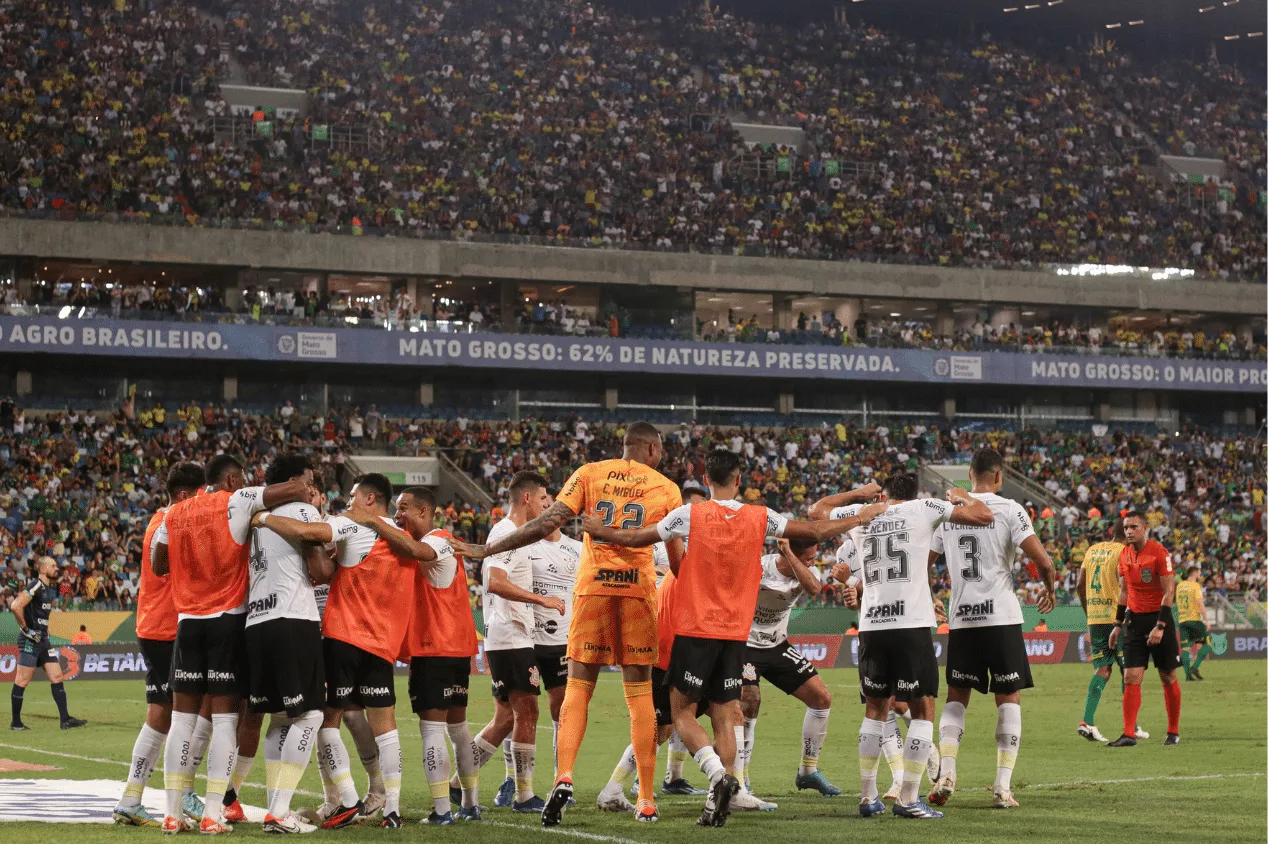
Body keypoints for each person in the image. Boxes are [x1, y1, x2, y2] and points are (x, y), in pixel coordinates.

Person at [585, 449, 886, 827]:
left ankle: (719, 778)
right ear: (740, 479)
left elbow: (637, 538)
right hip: (735, 635)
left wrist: (600, 530)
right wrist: (863, 515)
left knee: (681, 713)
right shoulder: (761, 517)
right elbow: (814, 531)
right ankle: (725, 792)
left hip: (696, 629)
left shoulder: (689, 515)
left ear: (706, 479)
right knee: (728, 715)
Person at [457, 422, 683, 826]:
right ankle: (646, 798)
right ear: (650, 448)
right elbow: (678, 562)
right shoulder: (666, 488)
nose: (661, 457)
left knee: (578, 689)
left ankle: (564, 777)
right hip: (637, 594)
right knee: (639, 695)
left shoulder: (589, 473)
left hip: (592, 590)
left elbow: (545, 524)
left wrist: (487, 548)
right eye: (661, 450)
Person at [256, 473, 442, 828]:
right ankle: (391, 810)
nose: (349, 501)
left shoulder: (351, 524)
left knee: (326, 720)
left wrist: (262, 517)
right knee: (385, 728)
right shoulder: (404, 538)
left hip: (343, 638)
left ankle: (347, 800)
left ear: (370, 499)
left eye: (354, 496)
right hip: (382, 646)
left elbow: (310, 534)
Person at [151, 454, 310, 834]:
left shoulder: (174, 512)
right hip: (227, 620)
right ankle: (211, 813)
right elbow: (294, 488)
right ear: (233, 478)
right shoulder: (235, 499)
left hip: (188, 623)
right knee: (225, 720)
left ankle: (172, 813)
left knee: (182, 721)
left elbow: (159, 565)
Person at [833, 474, 994, 820]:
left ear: (885, 494)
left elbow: (817, 511)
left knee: (875, 710)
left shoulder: (865, 514)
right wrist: (962, 495)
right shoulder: (924, 508)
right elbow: (984, 516)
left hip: (872, 625)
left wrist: (859, 496)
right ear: (914, 493)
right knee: (923, 710)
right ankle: (907, 798)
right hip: (911, 624)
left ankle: (867, 797)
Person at [923, 449, 1056, 810]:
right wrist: (1050, 588)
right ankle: (1002, 787)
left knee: (956, 697)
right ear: (999, 476)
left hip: (963, 619)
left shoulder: (948, 513)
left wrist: (931, 595)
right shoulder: (1011, 509)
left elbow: (923, 563)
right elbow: (1042, 561)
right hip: (1001, 618)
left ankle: (947, 772)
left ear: (970, 474)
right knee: (1008, 698)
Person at [346, 486, 476, 825]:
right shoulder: (441, 541)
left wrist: (373, 522)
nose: (398, 515)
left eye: (403, 508)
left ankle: (443, 811)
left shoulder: (437, 540)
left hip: (435, 648)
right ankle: (470, 804)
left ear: (423, 511)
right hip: (456, 648)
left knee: (433, 730)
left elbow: (414, 549)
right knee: (458, 729)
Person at [240, 454, 333, 834]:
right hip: (293, 618)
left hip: (257, 620)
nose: (313, 488)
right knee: (310, 715)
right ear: (295, 480)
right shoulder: (302, 511)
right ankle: (279, 813)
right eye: (309, 480)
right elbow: (320, 569)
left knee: (279, 719)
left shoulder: (253, 519)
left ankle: (275, 808)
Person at [113, 463, 204, 827]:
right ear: (185, 495)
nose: (203, 503)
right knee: (190, 713)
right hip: (168, 629)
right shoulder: (174, 524)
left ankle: (131, 798)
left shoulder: (158, 520)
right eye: (199, 495)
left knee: (161, 714)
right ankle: (181, 794)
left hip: (153, 627)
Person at [739, 537, 842, 801]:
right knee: (750, 700)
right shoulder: (759, 567)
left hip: (777, 645)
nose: (812, 563)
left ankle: (808, 771)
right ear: (788, 553)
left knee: (821, 699)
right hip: (746, 645)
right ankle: (741, 778)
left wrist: (794, 557)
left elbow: (815, 589)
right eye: (808, 558)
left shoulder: (809, 573)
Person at [1107, 512, 1182, 747]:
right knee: (1131, 676)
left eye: (1133, 527)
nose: (1129, 531)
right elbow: (1123, 591)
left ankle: (1173, 731)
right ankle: (1129, 734)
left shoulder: (1159, 552)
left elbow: (1169, 591)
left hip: (1160, 620)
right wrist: (1117, 626)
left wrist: (1160, 626)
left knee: (1167, 675)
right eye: (1126, 527)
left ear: (1145, 528)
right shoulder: (1124, 555)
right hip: (1134, 621)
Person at [11, 555, 88, 731]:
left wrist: (44, 632)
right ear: (43, 569)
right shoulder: (36, 585)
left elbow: (39, 616)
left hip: (43, 641)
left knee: (57, 677)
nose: (56, 568)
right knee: (22, 680)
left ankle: (65, 719)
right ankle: (16, 723)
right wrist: (26, 630)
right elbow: (16, 605)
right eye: (53, 565)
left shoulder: (47, 589)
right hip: (31, 641)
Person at [1076, 520, 1130, 743]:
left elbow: (1080, 585)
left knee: (1103, 669)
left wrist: (1089, 611)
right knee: (1130, 670)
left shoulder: (1092, 550)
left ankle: (1087, 722)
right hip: (1117, 617)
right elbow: (1127, 585)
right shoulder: (1124, 552)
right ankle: (1131, 725)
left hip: (1096, 617)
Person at [1175, 567, 1212, 681]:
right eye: (1199, 573)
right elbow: (1200, 603)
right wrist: (1206, 621)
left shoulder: (1180, 586)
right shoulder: (1195, 586)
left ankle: (1188, 676)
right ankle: (1195, 667)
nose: (1200, 576)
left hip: (1182, 620)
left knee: (1186, 648)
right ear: (1194, 573)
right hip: (1194, 619)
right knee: (1208, 641)